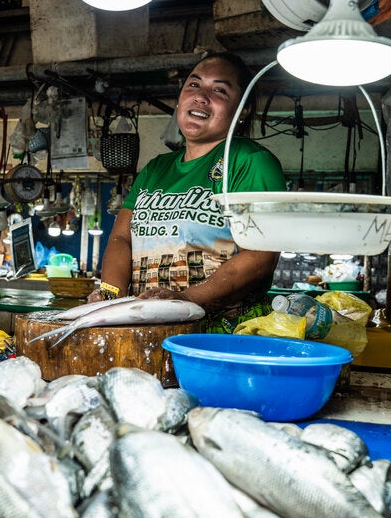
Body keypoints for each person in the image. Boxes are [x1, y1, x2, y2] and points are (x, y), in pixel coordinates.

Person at [91, 52, 286, 327]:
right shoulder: (155, 169)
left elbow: (260, 256)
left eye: (219, 90)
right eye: (194, 85)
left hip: (220, 331)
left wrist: (185, 299)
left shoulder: (250, 161)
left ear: (242, 111)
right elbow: (122, 238)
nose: (201, 96)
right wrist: (109, 296)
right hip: (149, 327)